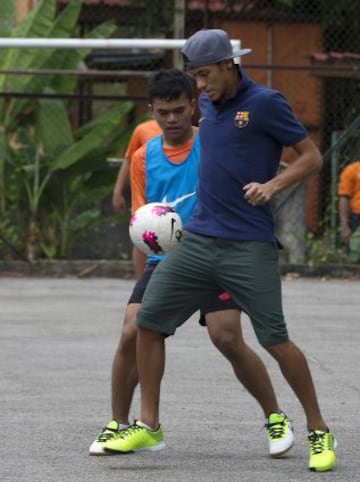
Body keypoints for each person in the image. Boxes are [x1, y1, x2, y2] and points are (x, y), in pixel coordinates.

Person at [102, 30, 337, 473]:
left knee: (275, 339)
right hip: (198, 241)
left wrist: (273, 185)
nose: (201, 86)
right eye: (195, 77)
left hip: (248, 245)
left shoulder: (266, 103)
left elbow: (311, 157)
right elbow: (171, 135)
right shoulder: (205, 104)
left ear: (229, 65)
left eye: (206, 75)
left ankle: (319, 429)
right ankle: (148, 424)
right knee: (147, 322)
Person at [89, 68, 294, 458]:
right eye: (163, 112)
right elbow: (144, 225)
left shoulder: (213, 143)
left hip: (217, 249)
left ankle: (275, 417)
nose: (172, 118)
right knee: (134, 326)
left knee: (226, 336)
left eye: (179, 110)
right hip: (166, 258)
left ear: (195, 107)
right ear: (152, 110)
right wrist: (142, 281)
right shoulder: (141, 157)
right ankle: (120, 423)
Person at [112, 118, 162, 278]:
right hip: (146, 194)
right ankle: (141, 283)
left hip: (174, 192)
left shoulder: (194, 134)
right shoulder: (142, 130)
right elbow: (128, 161)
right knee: (141, 236)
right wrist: (117, 191)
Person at [338, 159, 360, 261]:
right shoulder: (352, 170)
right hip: (357, 217)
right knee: (355, 251)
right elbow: (344, 197)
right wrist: (344, 226)